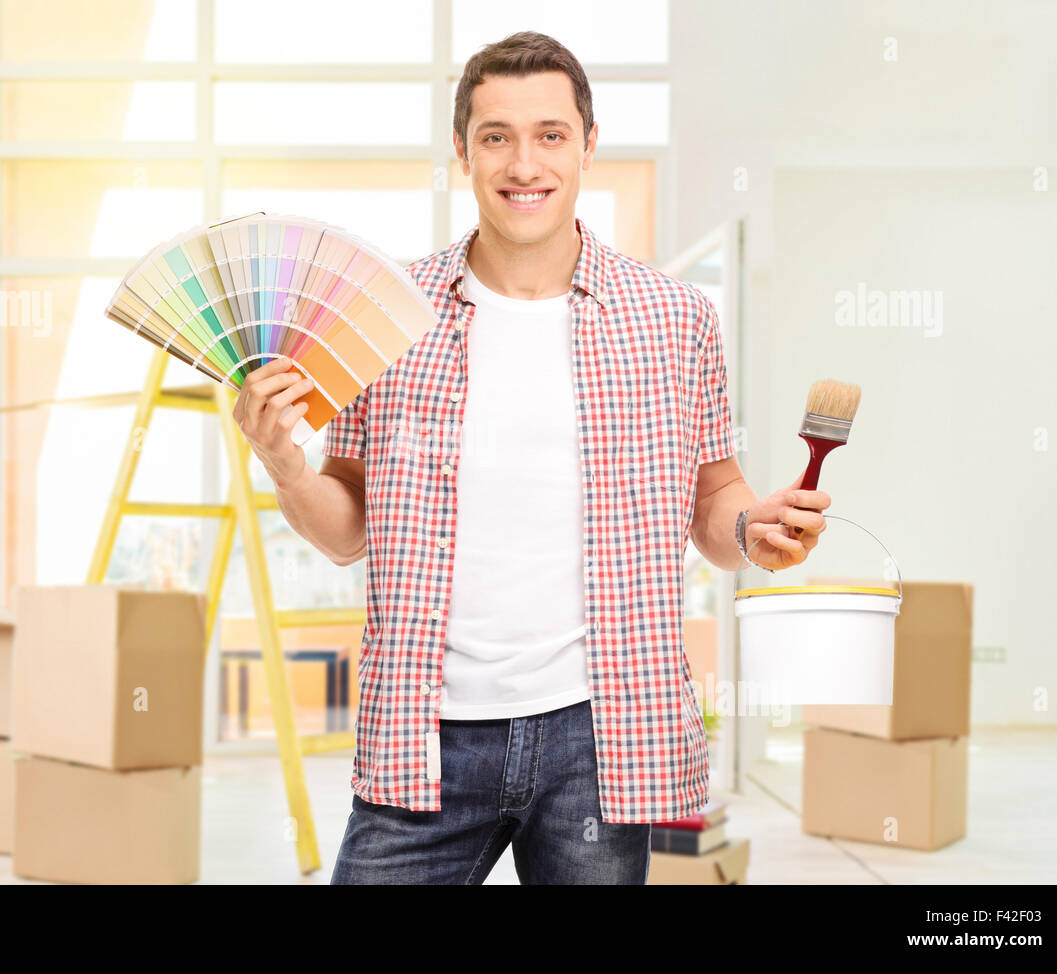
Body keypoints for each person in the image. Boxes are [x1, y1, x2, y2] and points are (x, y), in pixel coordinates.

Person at [231, 31, 830, 885]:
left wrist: (753, 525)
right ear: (462, 151)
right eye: (496, 136)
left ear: (588, 144)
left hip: (599, 735)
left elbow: (715, 506)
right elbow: (344, 530)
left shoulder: (674, 320)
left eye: (550, 134)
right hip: (422, 732)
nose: (524, 163)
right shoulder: (384, 316)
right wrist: (286, 464)